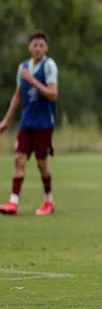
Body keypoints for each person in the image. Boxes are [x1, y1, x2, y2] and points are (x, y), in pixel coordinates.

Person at [0, 30, 58, 216]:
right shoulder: (23, 68)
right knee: (19, 159)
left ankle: (49, 201)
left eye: (41, 45)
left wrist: (33, 81)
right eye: (35, 45)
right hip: (26, 123)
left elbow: (53, 94)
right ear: (29, 47)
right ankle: (13, 203)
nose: (38, 48)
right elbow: (18, 95)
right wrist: (6, 121)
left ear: (46, 48)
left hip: (43, 124)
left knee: (42, 164)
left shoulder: (49, 66)